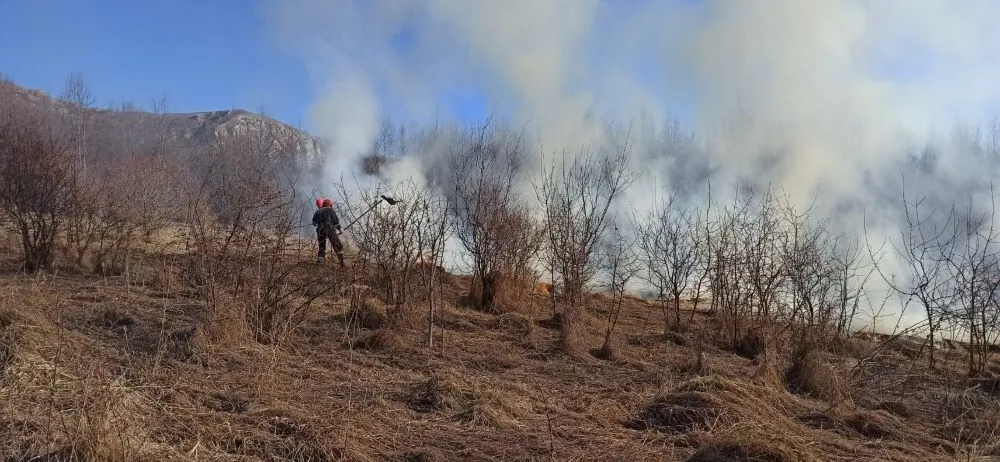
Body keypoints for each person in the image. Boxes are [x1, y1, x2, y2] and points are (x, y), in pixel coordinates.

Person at [312, 198, 346, 268]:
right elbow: (335, 221)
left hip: (320, 231)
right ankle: (342, 265)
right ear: (329, 204)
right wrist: (340, 228)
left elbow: (314, 223)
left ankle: (319, 265)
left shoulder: (316, 212)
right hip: (329, 229)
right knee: (338, 245)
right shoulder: (330, 209)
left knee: (321, 247)